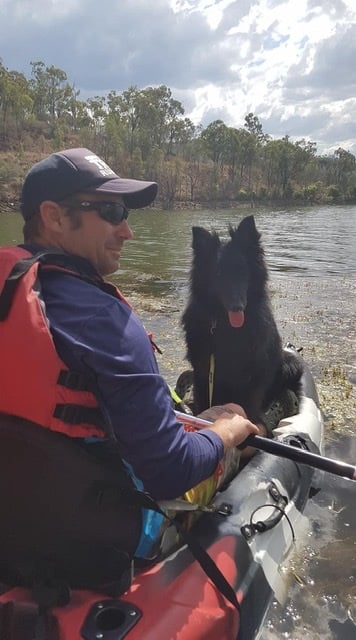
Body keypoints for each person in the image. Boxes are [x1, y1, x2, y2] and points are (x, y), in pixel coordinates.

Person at [0, 147, 260, 557]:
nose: (128, 232)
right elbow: (170, 472)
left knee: (208, 420)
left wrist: (199, 425)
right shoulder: (106, 322)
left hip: (22, 509)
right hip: (106, 529)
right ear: (54, 217)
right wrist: (226, 433)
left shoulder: (10, 293)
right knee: (238, 425)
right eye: (111, 213)